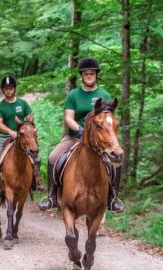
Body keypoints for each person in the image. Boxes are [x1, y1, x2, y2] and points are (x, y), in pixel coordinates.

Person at [38, 57, 124, 213]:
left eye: (92, 73)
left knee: (115, 162)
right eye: (86, 74)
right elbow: (68, 117)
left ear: (96, 75)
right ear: (82, 76)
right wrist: (80, 130)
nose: (89, 76)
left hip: (99, 141)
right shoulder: (74, 95)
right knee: (53, 158)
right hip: (75, 136)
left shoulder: (104, 94)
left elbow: (109, 120)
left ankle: (113, 199)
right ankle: (51, 197)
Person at [0, 76, 43, 193]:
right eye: (6, 88)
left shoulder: (22, 103)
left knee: (37, 156)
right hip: (4, 136)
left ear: (14, 89)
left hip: (23, 136)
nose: (8, 90)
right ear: (3, 90)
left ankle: (36, 181)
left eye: (11, 88)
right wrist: (10, 131)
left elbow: (29, 117)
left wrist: (29, 124)